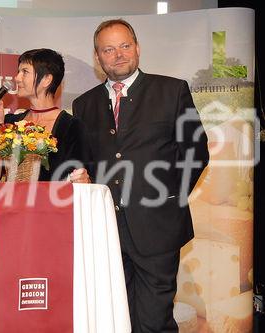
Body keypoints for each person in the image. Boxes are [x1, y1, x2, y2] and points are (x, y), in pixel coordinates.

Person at [72, 19, 209, 332]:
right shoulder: (84, 104)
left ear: (137, 48)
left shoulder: (172, 90)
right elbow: (87, 164)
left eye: (125, 46)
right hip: (105, 231)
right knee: (114, 319)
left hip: (157, 229)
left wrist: (166, 199)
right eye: (109, 49)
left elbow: (196, 152)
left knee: (153, 321)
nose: (118, 55)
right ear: (97, 57)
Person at [0, 48, 90, 183]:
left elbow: (80, 178)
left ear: (46, 79)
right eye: (18, 72)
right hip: (12, 201)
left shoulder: (71, 126)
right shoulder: (10, 122)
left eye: (25, 72)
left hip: (53, 202)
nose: (17, 78)